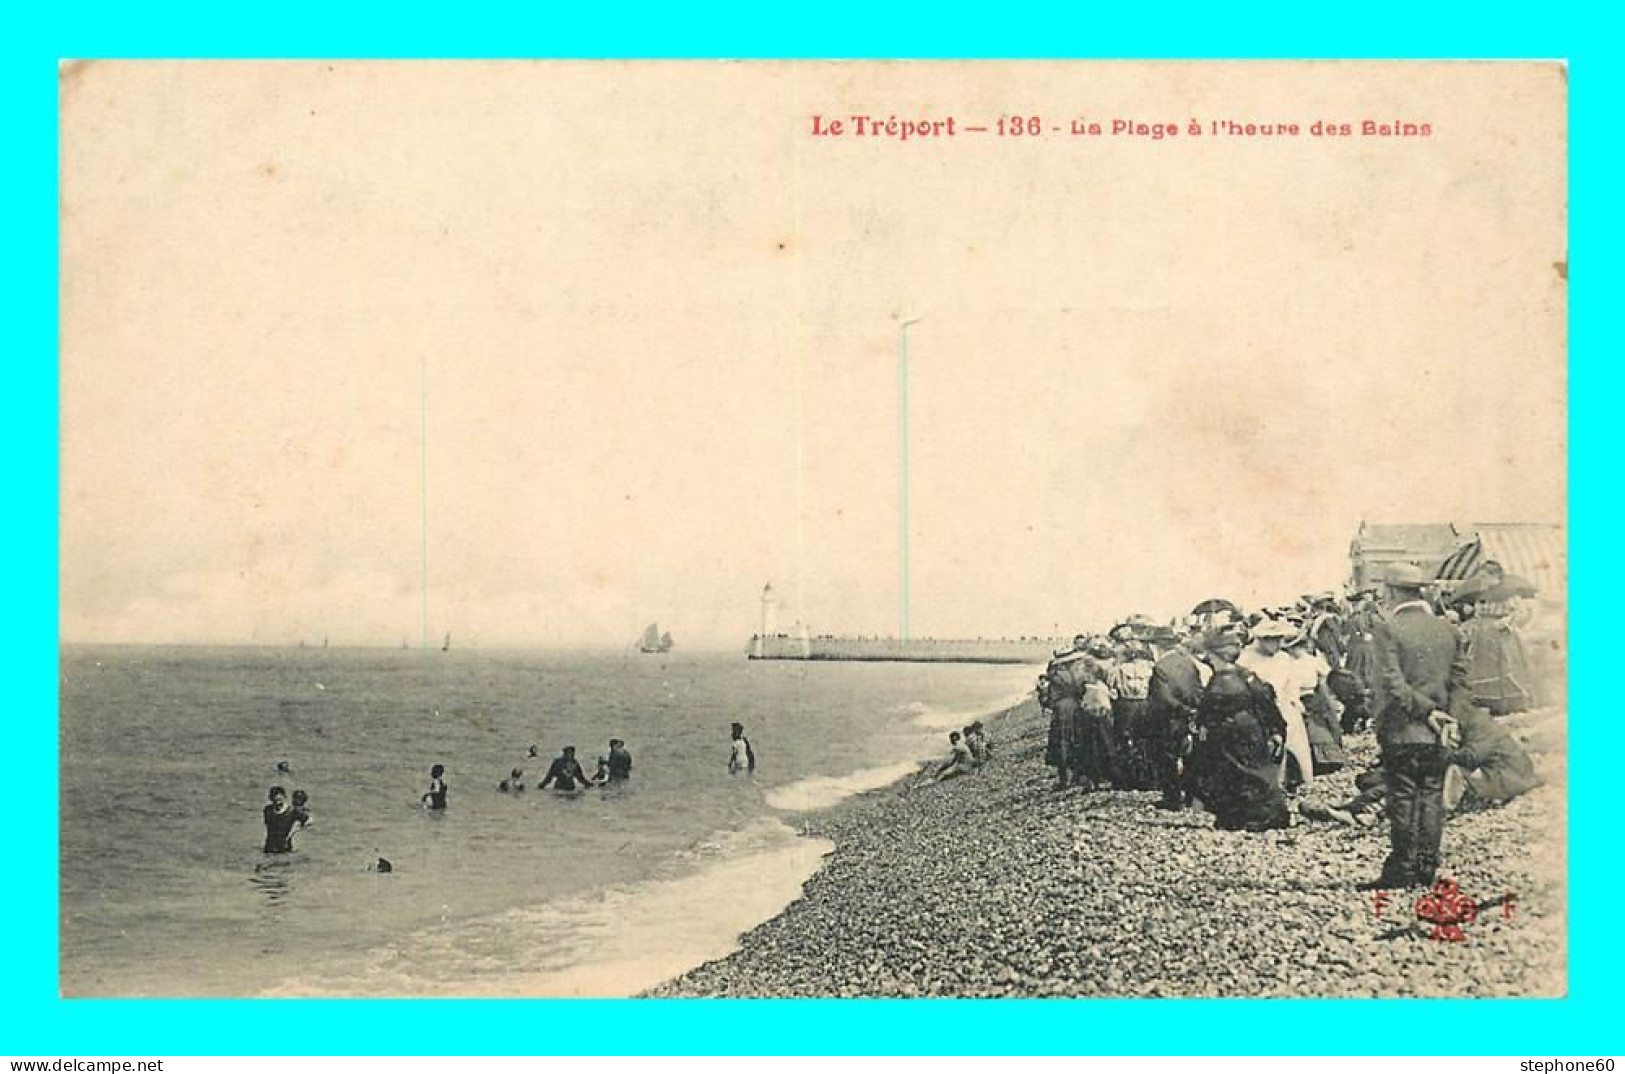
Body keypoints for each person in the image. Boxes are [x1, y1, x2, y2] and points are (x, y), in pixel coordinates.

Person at [1361, 563, 1471, 890]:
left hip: (1404, 728)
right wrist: (1449, 717)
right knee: (1432, 795)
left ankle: (1402, 870)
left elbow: (1393, 685)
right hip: (1440, 731)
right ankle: (1426, 868)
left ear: (1392, 591)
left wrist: (1426, 713)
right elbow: (1462, 681)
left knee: (1404, 796)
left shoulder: (1387, 628)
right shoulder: (1448, 628)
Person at [1189, 630, 1291, 832]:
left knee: (1232, 775)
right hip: (1252, 729)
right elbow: (1266, 701)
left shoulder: (1220, 680)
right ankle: (1270, 813)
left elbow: (1208, 710)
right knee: (1257, 772)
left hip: (1228, 733)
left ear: (1213, 654)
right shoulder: (1247, 675)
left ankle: (1239, 816)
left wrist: (1200, 725)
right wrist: (1275, 729)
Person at [1236, 618, 1315, 791]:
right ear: (1263, 640)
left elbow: (1291, 682)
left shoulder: (1283, 658)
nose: (1278, 643)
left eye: (1280, 639)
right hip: (1259, 708)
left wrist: (1294, 699)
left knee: (1292, 744)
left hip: (1284, 705)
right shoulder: (1246, 659)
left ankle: (1291, 780)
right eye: (1273, 639)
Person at [1144, 633, 1209, 810]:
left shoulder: (1160, 667)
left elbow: (1162, 698)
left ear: (1157, 646)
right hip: (1188, 716)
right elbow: (1197, 690)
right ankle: (1190, 795)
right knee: (1190, 757)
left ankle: (1172, 798)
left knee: (1166, 759)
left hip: (1167, 718)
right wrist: (1193, 711)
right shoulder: (1188, 662)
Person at [263, 786, 297, 853]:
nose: (277, 802)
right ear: (271, 799)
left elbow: (308, 820)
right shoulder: (267, 810)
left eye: (279, 799)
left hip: (284, 846)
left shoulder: (291, 811)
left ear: (284, 797)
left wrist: (293, 831)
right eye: (275, 800)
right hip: (269, 846)